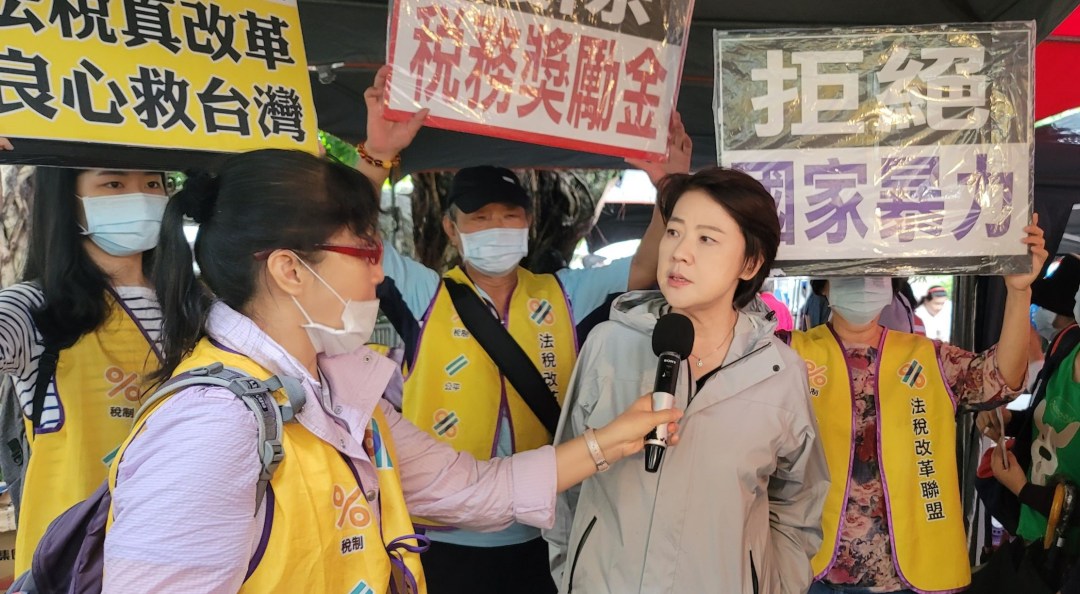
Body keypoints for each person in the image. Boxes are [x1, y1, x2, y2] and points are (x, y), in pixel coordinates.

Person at [102, 149, 682, 592]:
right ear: (289, 270)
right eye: (366, 253)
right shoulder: (211, 424)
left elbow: (477, 489)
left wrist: (613, 439)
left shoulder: (344, 400)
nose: (381, 276)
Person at [351, 66, 692, 593]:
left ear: (528, 224)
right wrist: (375, 156)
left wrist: (670, 184)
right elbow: (356, 239)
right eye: (480, 217)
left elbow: (647, 268)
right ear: (451, 228)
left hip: (544, 527)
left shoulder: (565, 295)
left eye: (510, 215)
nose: (497, 227)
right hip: (443, 533)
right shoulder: (424, 296)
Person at [545, 168, 828, 594]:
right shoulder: (607, 345)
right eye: (674, 232)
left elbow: (797, 503)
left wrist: (774, 584)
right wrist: (573, 575)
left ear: (750, 263)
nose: (679, 253)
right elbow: (565, 481)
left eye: (706, 239)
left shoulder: (780, 373)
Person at [787, 219, 1046, 594]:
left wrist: (1019, 292)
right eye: (849, 271)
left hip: (910, 574)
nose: (864, 283)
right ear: (823, 284)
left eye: (876, 272)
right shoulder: (788, 354)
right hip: (809, 570)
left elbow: (1000, 379)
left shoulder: (929, 358)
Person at [0, 138, 168, 575]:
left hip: (176, 559)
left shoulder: (198, 309)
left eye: (153, 183)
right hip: (71, 569)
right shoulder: (31, 311)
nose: (141, 197)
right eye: (113, 184)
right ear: (67, 200)